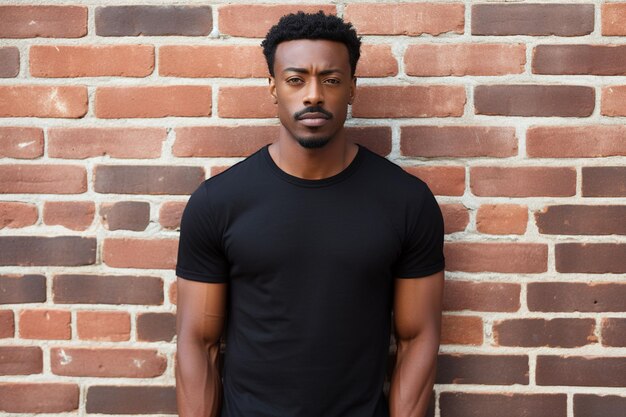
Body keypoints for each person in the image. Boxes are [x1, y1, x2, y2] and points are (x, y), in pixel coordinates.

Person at [175, 11, 445, 417]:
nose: (314, 94)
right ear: (273, 87)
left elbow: (418, 338)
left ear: (352, 87)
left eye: (331, 80)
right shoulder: (219, 203)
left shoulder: (405, 201)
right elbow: (198, 342)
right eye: (296, 79)